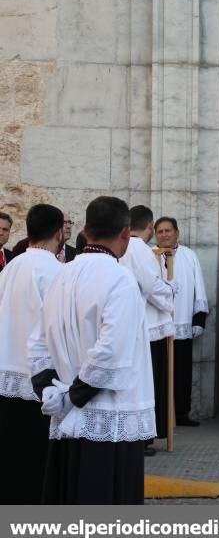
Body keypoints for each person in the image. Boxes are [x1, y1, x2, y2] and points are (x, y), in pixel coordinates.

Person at [34, 196, 155, 504]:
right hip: (108, 416)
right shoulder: (120, 279)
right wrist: (74, 396)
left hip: (67, 414)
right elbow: (111, 351)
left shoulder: (60, 275)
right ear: (126, 233)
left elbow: (37, 343)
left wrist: (54, 393)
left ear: (86, 230)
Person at [0, 204, 64, 503]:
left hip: (6, 372)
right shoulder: (55, 270)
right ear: (60, 232)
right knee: (36, 462)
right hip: (39, 378)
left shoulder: (11, 266)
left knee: (10, 455)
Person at [119, 206, 176, 455]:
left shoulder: (121, 246)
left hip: (127, 323)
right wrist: (170, 294)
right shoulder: (139, 249)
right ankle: (140, 437)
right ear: (150, 226)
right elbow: (151, 285)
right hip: (146, 325)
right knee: (145, 384)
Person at [155, 217, 208, 427]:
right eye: (160, 231)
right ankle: (162, 416)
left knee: (182, 371)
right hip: (158, 325)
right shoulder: (150, 256)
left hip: (183, 321)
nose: (165, 234)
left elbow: (199, 287)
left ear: (177, 233)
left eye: (168, 230)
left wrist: (199, 319)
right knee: (160, 372)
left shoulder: (189, 256)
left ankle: (182, 412)